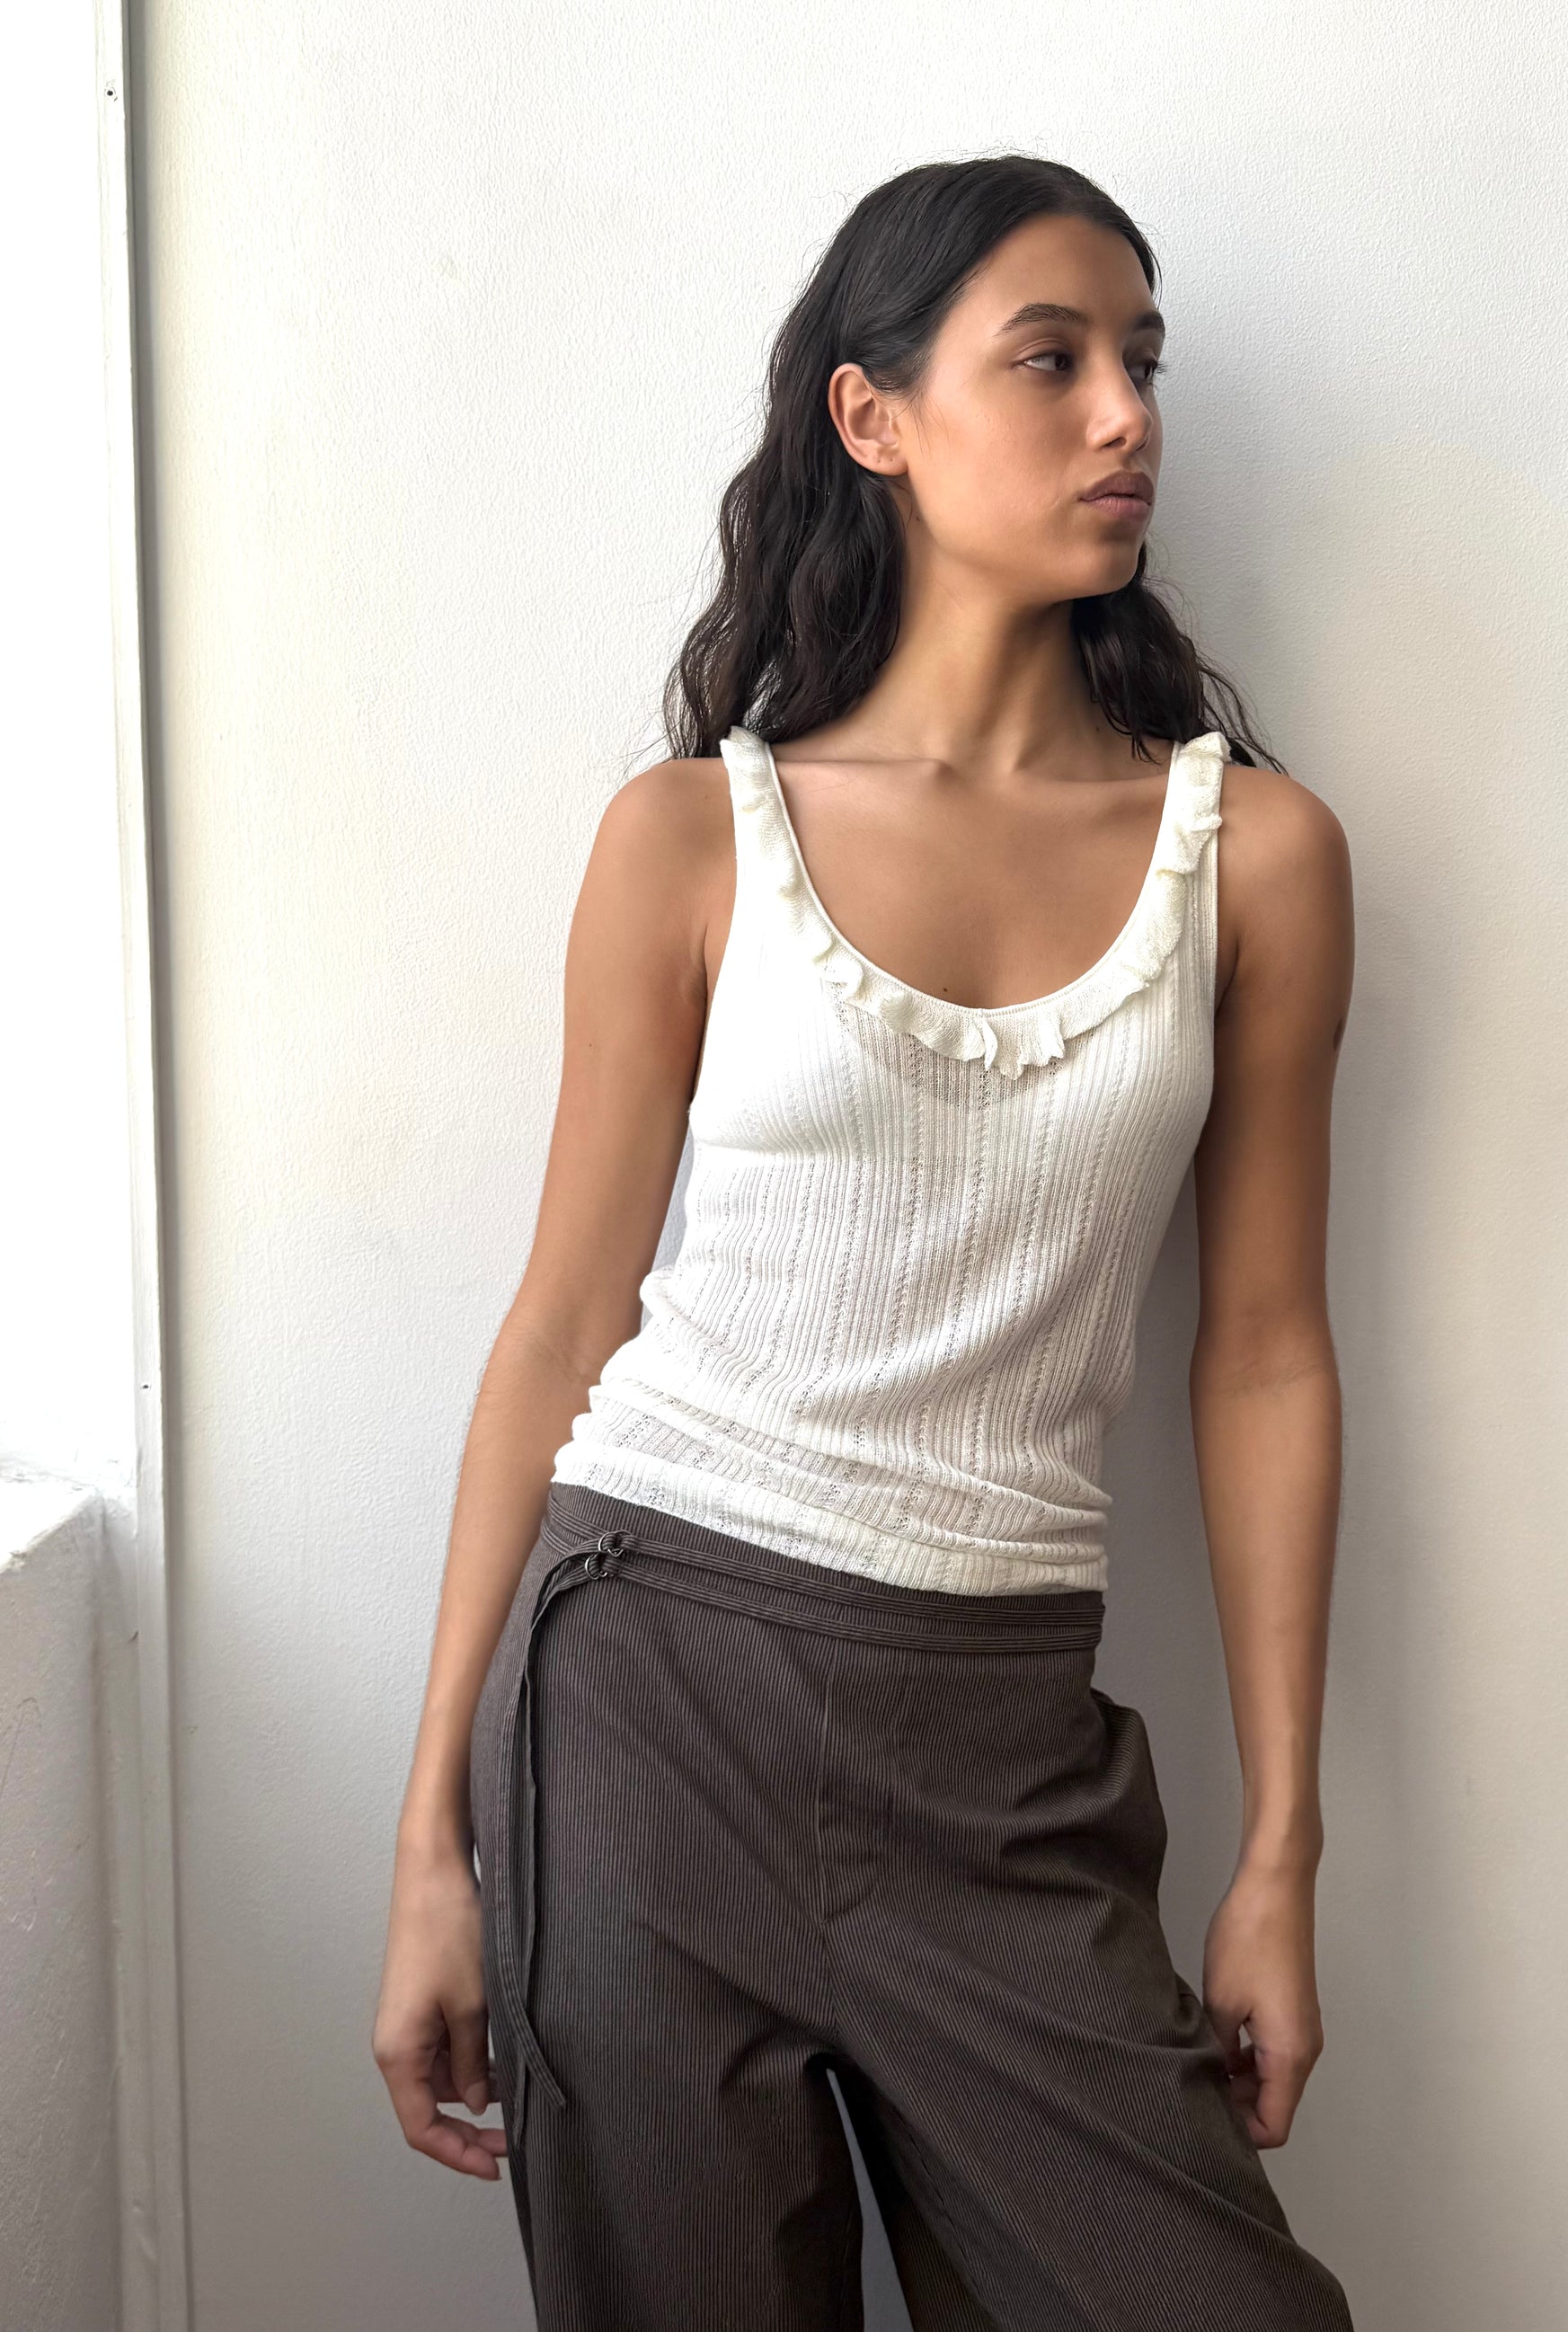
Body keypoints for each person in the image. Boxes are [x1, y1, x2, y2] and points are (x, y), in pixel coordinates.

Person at [373, 154, 1356, 2331]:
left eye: (1143, 364)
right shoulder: (689, 836)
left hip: (1002, 1749)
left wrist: (1278, 1850)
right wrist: (431, 1836)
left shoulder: (1253, 857)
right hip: (643, 1691)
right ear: (870, 416)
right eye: (1053, 359)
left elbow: (1266, 1350)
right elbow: (559, 1332)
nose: (1127, 417)